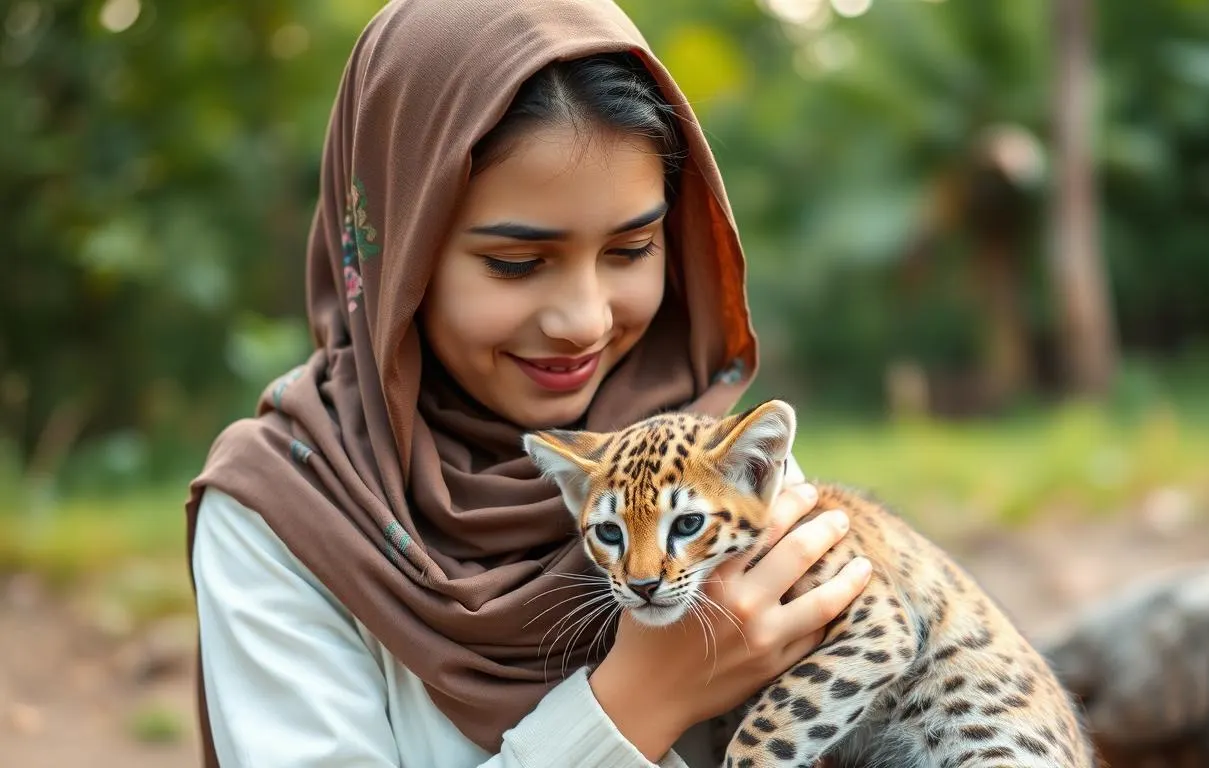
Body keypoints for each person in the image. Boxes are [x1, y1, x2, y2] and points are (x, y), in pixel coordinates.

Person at [185, 1, 873, 766]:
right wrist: (640, 703)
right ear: (396, 259)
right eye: (517, 263)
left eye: (632, 247)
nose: (584, 321)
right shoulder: (287, 508)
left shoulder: (717, 461)